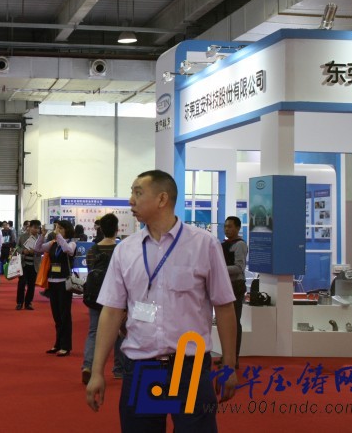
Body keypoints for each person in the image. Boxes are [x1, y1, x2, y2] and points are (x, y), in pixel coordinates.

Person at [86, 170, 238, 432]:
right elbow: (111, 311)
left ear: (162, 199)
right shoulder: (126, 250)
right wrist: (97, 370)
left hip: (189, 369)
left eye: (138, 193)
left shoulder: (204, 245)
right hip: (143, 367)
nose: (131, 200)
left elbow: (224, 307)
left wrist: (229, 366)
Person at [81, 213, 125, 384]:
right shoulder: (120, 249)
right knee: (119, 332)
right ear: (117, 229)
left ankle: (88, 365)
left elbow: (91, 270)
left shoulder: (93, 250)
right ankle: (118, 369)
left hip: (95, 296)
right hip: (116, 296)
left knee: (93, 331)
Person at [34, 219, 76, 357]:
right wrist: (42, 235)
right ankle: (58, 343)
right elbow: (38, 248)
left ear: (67, 230)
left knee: (65, 315)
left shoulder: (71, 243)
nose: (58, 230)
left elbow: (67, 250)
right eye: (57, 228)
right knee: (56, 315)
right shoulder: (53, 243)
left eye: (60, 228)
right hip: (52, 282)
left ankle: (66, 345)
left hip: (64, 283)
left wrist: (58, 236)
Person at [222, 216, 248, 365]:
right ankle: (227, 357)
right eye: (225, 226)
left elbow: (239, 268)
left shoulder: (240, 245)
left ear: (238, 228)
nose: (227, 229)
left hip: (236, 286)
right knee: (226, 323)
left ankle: (234, 358)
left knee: (235, 322)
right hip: (226, 285)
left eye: (230, 226)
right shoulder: (224, 244)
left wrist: (220, 269)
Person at [14, 219, 41, 310]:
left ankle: (28, 303)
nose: (36, 230)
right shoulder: (22, 236)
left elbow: (42, 250)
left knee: (31, 285)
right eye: (35, 228)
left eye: (38, 228)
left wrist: (36, 251)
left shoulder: (40, 238)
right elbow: (16, 247)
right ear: (29, 227)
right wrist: (23, 251)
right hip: (23, 263)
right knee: (21, 284)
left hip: (34, 265)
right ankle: (19, 303)